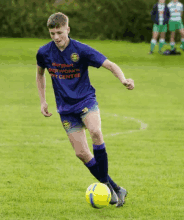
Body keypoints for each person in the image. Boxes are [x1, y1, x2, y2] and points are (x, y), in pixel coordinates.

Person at [36, 12, 134, 207]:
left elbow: (109, 64)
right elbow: (39, 75)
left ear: (68, 30)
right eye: (52, 33)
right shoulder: (44, 52)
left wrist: (123, 79)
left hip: (85, 101)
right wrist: (43, 101)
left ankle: (105, 185)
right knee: (81, 153)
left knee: (96, 132)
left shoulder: (81, 50)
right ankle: (116, 188)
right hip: (65, 108)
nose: (56, 37)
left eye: (60, 32)